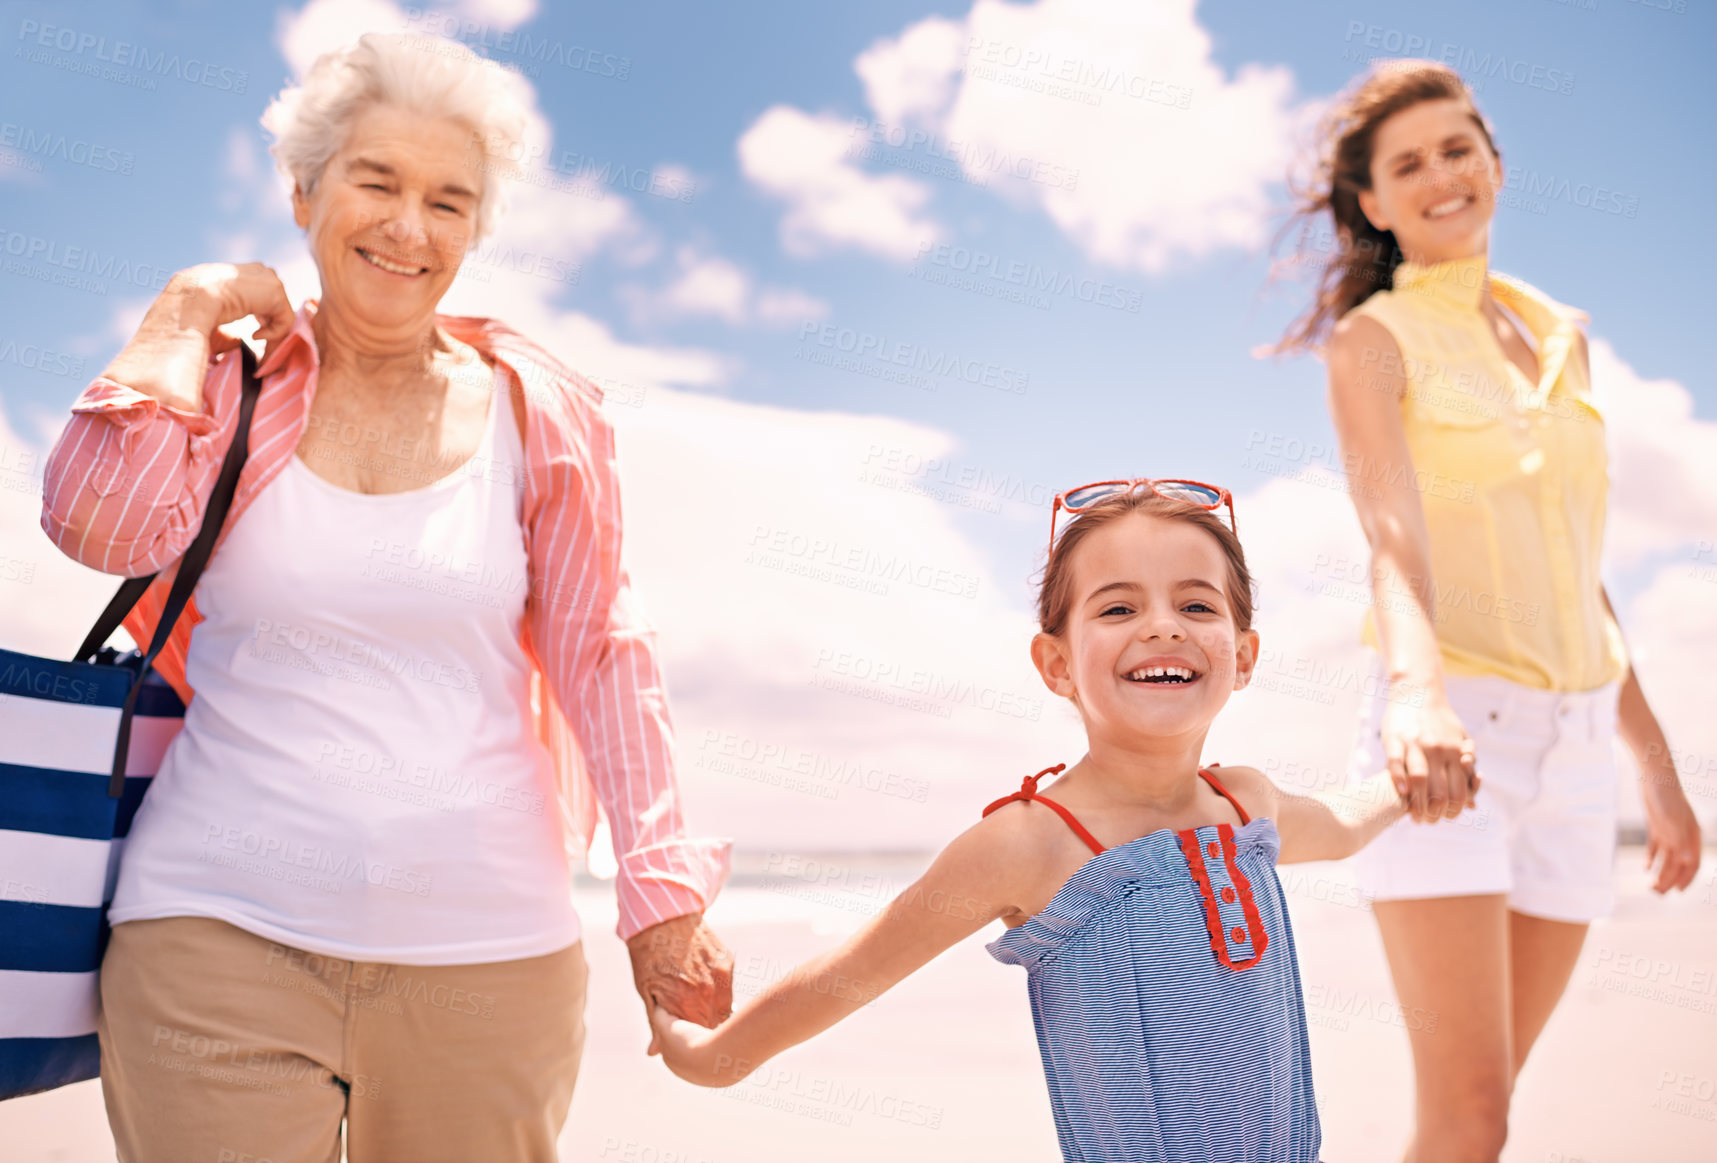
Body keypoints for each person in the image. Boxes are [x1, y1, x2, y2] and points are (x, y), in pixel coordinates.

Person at [38, 32, 732, 1163]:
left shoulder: (535, 409)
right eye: (378, 181)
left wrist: (660, 897)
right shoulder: (230, 384)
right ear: (306, 190)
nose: (410, 227)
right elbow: (95, 523)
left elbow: (604, 647)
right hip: (215, 934)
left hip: (489, 954)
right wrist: (189, 306)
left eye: (448, 200)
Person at [648, 480, 1413, 1163]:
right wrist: (705, 1053)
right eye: (1117, 607)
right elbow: (848, 974)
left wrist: (1408, 779)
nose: (1161, 626)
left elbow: (1342, 822)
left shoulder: (1247, 804)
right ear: (1055, 664)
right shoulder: (1031, 840)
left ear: (1242, 655)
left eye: (1196, 604)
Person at [1273, 60, 1703, 1162]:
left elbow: (1576, 567)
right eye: (1405, 164)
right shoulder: (1372, 342)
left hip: (1574, 751)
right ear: (1372, 203)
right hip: (1448, 740)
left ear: (1495, 166)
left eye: (1455, 148)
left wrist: (1653, 766)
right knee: (1469, 1113)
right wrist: (1417, 694)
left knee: (1483, 1111)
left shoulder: (1561, 331)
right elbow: (1390, 531)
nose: (1439, 175)